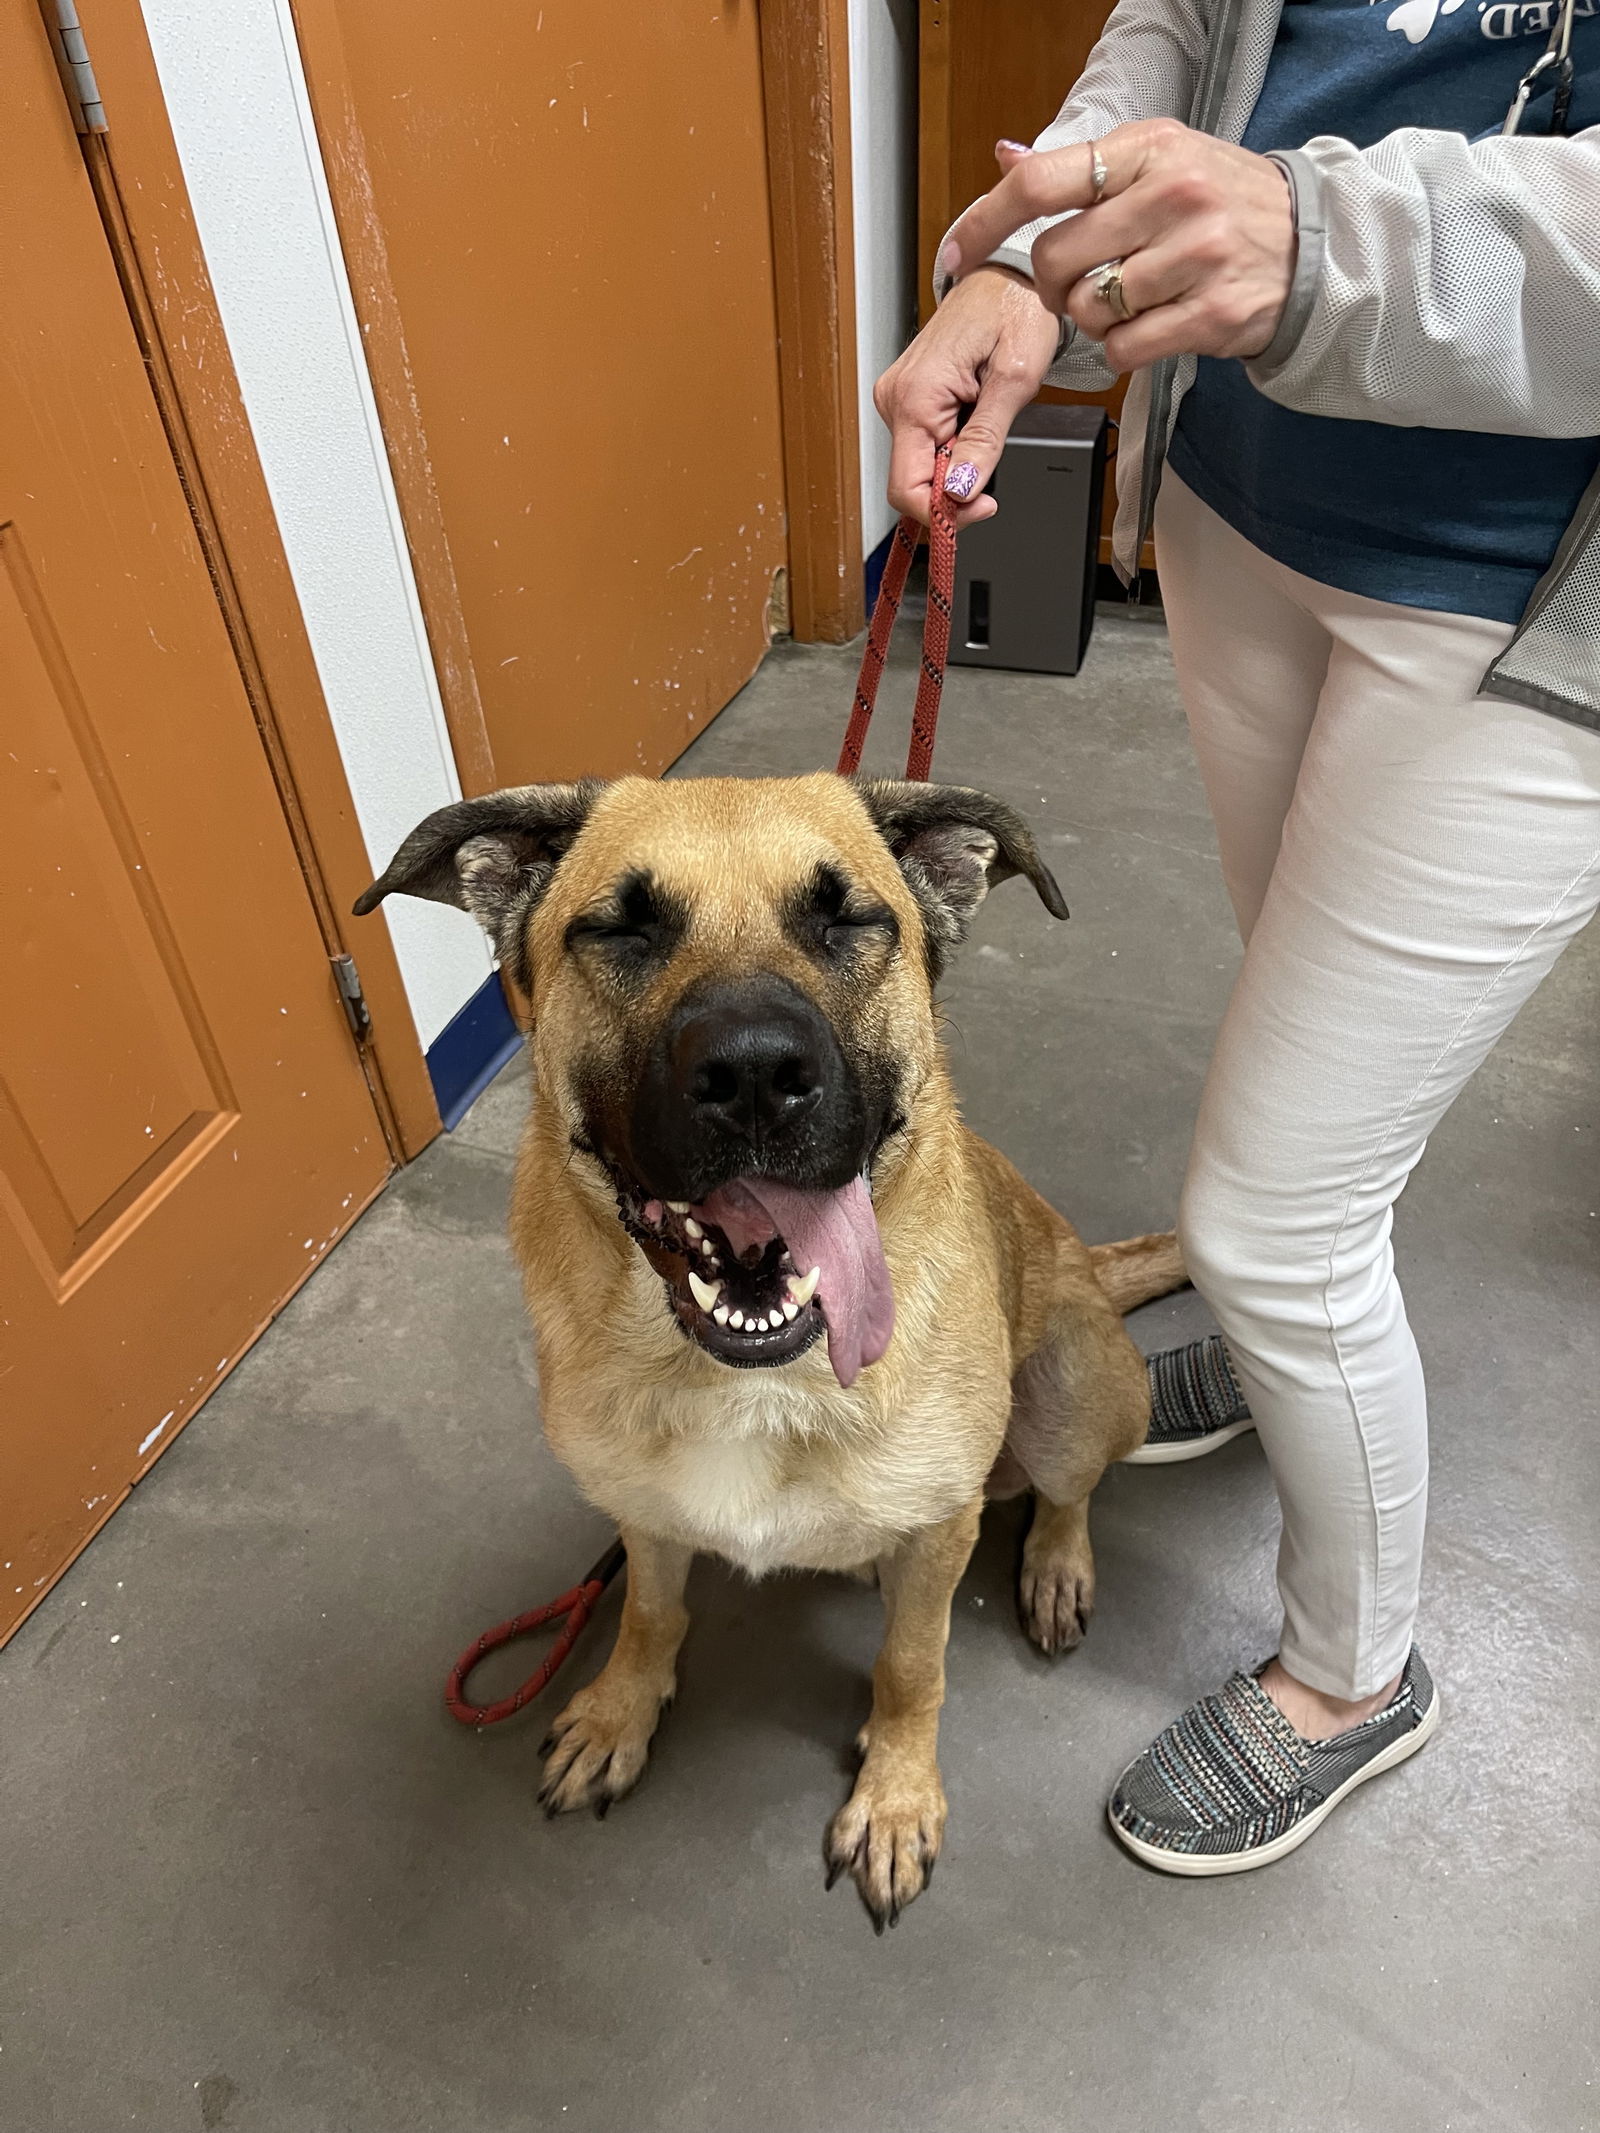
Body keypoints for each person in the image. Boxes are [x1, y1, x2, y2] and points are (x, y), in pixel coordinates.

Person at [875, 0, 1599, 1874]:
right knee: (1316, 1052)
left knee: (1274, 1212)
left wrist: (1321, 237)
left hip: (1531, 619)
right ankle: (1304, 1352)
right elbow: (1186, 21)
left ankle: (1360, 1679)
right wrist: (1046, 249)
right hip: (1246, 503)